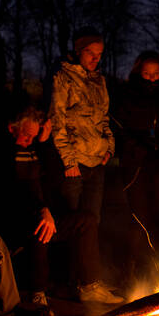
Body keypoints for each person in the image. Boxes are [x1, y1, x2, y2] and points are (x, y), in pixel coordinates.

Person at [0, 108, 122, 305]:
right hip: (15, 220)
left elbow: (54, 179)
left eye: (33, 136)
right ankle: (37, 291)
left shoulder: (34, 149)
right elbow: (13, 192)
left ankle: (90, 286)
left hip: (43, 213)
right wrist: (40, 209)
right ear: (11, 128)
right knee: (41, 226)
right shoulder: (3, 153)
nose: (28, 140)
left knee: (87, 221)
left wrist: (45, 141)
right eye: (25, 135)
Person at [116, 50, 159, 274]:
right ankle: (134, 265)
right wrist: (138, 145)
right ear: (138, 72)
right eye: (147, 73)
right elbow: (120, 126)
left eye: (156, 73)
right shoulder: (128, 94)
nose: (152, 78)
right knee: (138, 215)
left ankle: (158, 265)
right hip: (136, 162)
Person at [49, 29, 114, 224]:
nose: (96, 59)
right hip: (74, 165)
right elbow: (56, 119)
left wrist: (109, 147)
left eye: (100, 54)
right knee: (72, 221)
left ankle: (91, 256)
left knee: (93, 221)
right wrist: (69, 160)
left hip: (97, 163)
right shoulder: (63, 77)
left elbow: (104, 118)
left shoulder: (99, 81)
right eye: (90, 53)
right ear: (78, 51)